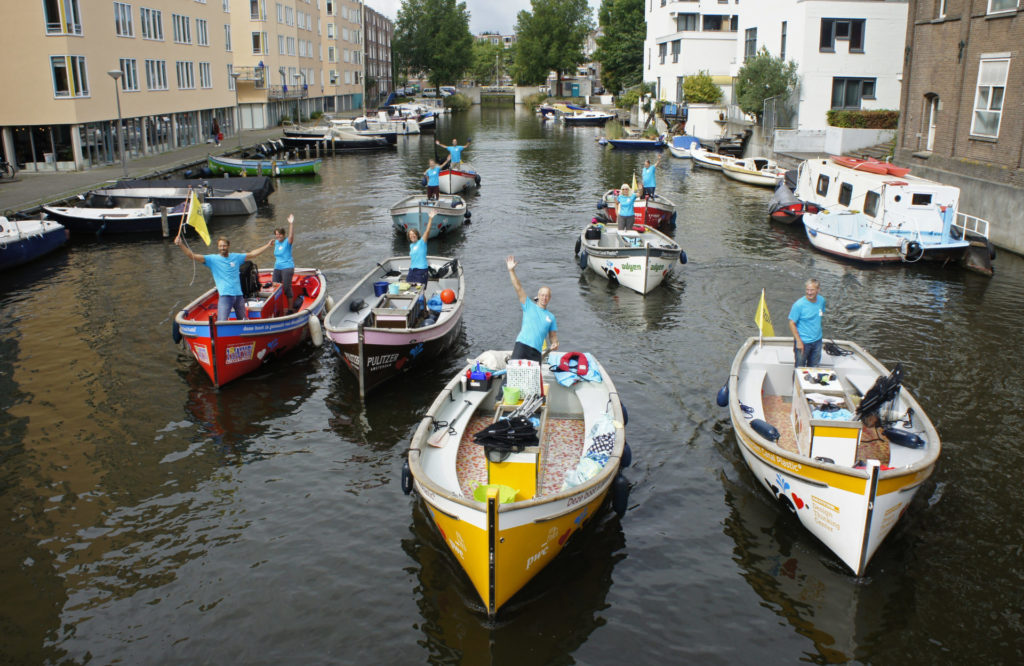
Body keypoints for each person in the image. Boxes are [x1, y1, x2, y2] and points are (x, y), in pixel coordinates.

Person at [175, 233, 273, 322]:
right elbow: (192, 256)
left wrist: (267, 246)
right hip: (225, 296)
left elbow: (252, 254)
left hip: (238, 295)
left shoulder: (236, 257)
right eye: (220, 246)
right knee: (222, 322)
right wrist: (181, 245)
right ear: (218, 247)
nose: (222, 248)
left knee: (243, 320)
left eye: (224, 245)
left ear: (228, 246)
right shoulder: (212, 259)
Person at [506, 255, 558, 362]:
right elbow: (518, 287)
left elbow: (552, 336)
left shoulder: (551, 317)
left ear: (550, 298)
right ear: (538, 296)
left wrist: (555, 342)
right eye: (542, 295)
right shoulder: (528, 305)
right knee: (514, 374)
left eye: (547, 295)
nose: (544, 297)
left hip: (536, 351)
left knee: (533, 378)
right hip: (522, 345)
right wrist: (511, 271)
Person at [788, 278, 826, 368]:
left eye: (812, 290)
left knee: (814, 368)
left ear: (818, 290)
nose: (809, 293)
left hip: (817, 342)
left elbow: (820, 315)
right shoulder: (799, 305)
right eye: (807, 290)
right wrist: (798, 341)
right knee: (799, 369)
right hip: (803, 342)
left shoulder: (822, 301)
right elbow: (791, 323)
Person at [406, 210, 436, 285]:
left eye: (413, 234)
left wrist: (430, 218)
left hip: (421, 270)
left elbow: (427, 231)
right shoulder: (411, 246)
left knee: (420, 291)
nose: (412, 236)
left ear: (417, 235)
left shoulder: (422, 242)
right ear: (409, 237)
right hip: (412, 270)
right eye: (410, 235)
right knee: (409, 289)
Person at [273, 214, 296, 308]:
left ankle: (290, 308)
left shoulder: (287, 241)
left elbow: (291, 236)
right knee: (275, 287)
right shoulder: (276, 242)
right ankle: (278, 308)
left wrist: (291, 223)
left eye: (280, 234)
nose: (278, 236)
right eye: (276, 234)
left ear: (283, 234)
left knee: (286, 288)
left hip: (287, 267)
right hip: (277, 267)